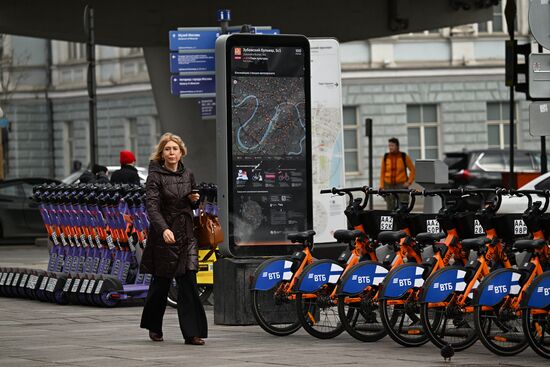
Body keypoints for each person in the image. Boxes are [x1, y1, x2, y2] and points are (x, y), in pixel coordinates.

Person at [139, 132, 207, 346]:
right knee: (161, 284)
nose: (171, 152)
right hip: (165, 236)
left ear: (181, 152)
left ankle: (192, 333)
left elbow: (193, 205)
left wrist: (194, 200)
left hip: (186, 234)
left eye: (174, 149)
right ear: (162, 153)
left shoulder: (189, 174)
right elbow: (152, 207)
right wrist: (163, 229)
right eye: (167, 149)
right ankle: (153, 325)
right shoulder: (155, 176)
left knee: (188, 282)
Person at [379, 137, 415, 211]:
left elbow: (413, 170)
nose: (390, 147)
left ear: (397, 146)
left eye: (392, 145)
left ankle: (403, 221)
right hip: (388, 185)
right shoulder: (386, 157)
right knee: (390, 207)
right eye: (389, 146)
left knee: (403, 206)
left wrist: (409, 182)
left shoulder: (403, 156)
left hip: (401, 185)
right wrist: (382, 186)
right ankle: (392, 221)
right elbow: (382, 172)